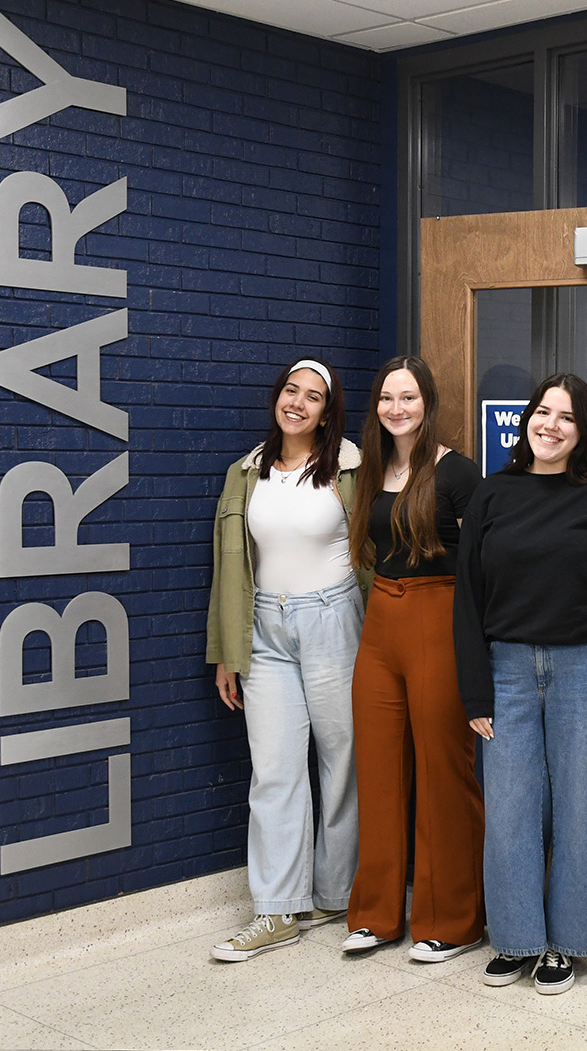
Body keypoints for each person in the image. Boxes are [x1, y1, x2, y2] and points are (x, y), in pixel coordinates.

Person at [454, 373, 587, 995]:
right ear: (526, 420)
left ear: (584, 430)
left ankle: (570, 944)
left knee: (579, 809)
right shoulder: (493, 494)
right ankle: (515, 941)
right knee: (511, 811)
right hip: (507, 670)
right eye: (541, 413)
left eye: (565, 418)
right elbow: (467, 599)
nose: (549, 425)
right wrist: (474, 691)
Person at [206, 357, 369, 962]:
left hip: (335, 619)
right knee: (273, 767)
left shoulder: (351, 467)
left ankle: (333, 894)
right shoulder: (245, 473)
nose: (298, 402)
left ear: (329, 412)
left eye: (314, 396)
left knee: (342, 757)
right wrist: (227, 651)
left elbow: (376, 549)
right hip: (263, 630)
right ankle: (274, 911)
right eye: (291, 391)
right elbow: (228, 567)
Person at [343, 355, 486, 962]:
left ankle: (451, 921)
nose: (396, 409)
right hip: (381, 621)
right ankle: (376, 915)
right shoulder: (373, 467)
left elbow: (484, 563)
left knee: (441, 771)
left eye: (408, 398)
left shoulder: (457, 473)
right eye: (385, 398)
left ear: (428, 403)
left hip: (438, 615)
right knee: (376, 770)